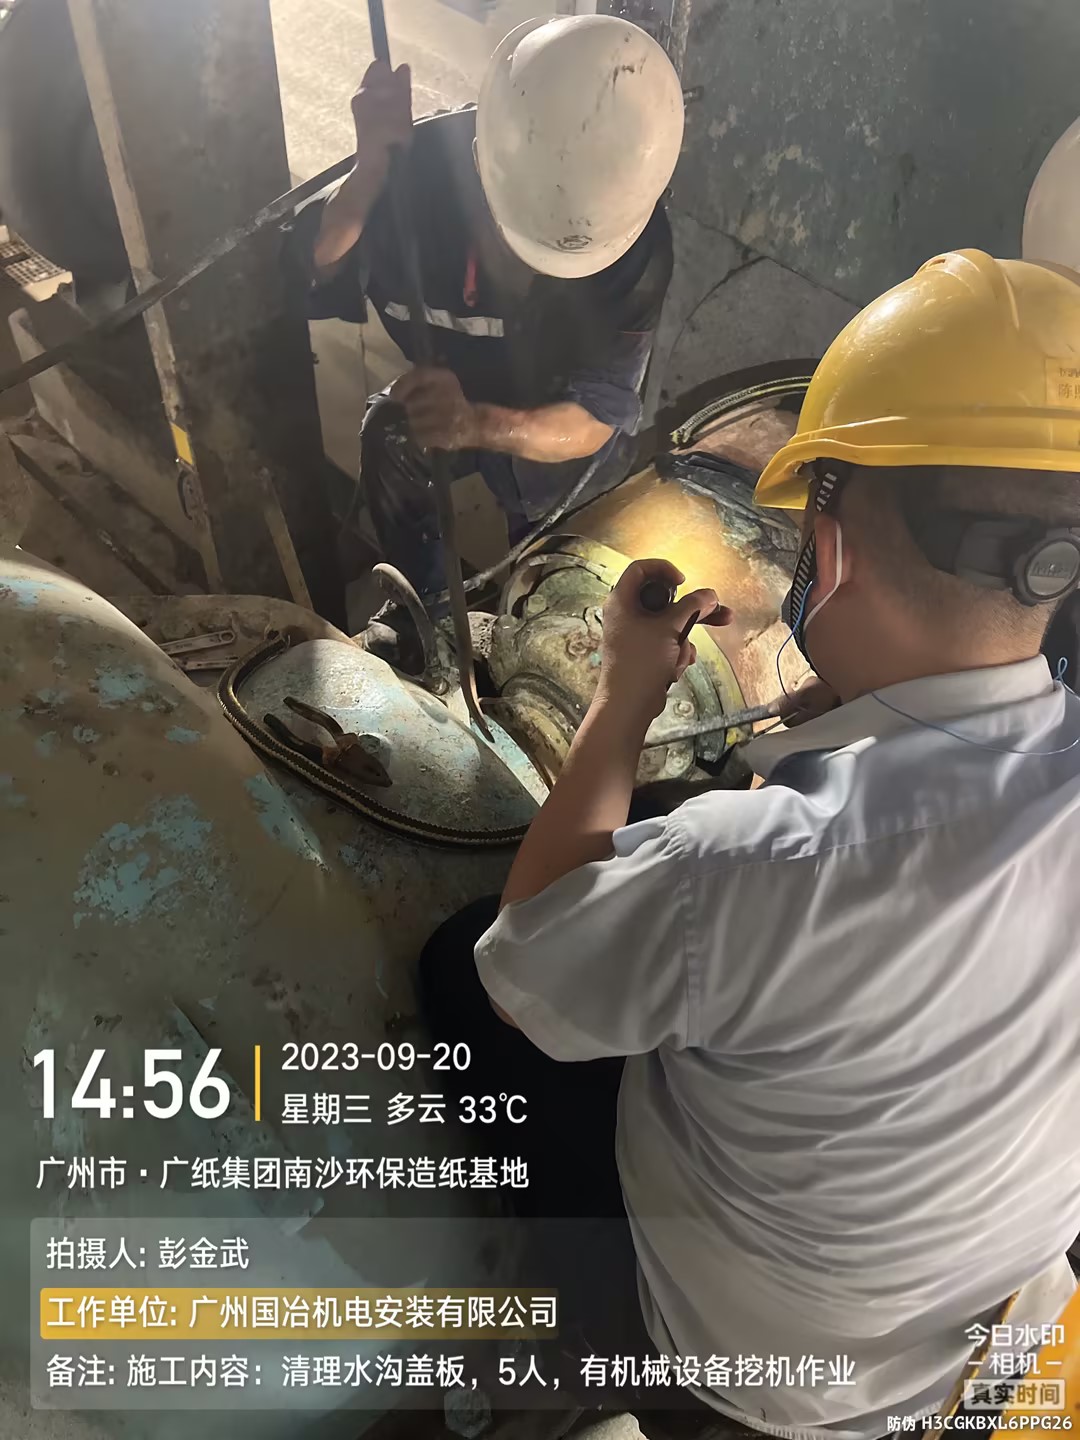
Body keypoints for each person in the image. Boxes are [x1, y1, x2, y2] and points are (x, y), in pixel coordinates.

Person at [420, 250, 1080, 1436]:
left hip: (763, 1388)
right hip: (992, 1340)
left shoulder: (746, 867)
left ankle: (566, 1344)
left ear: (831, 550)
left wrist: (627, 691)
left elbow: (526, 962)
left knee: (460, 967)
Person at [284, 14, 683, 620]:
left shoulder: (631, 248)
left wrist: (474, 423)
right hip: (457, 389)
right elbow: (313, 264)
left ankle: (541, 600)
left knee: (562, 598)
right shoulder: (414, 175)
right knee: (390, 434)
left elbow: (597, 417)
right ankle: (428, 620)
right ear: (481, 162)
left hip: (556, 433)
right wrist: (368, 173)